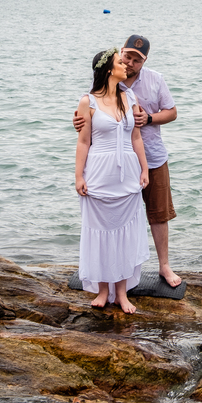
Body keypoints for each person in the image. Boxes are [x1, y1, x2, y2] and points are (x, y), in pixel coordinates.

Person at [74, 33, 181, 288]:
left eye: (137, 60)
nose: (130, 63)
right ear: (121, 53)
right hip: (112, 166)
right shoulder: (111, 76)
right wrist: (78, 119)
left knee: (158, 213)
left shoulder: (155, 80)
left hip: (152, 157)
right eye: (127, 57)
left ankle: (164, 266)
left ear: (144, 61)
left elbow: (172, 112)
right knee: (112, 220)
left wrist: (150, 118)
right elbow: (92, 107)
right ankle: (109, 276)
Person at [74, 47, 150, 312]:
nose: (125, 65)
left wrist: (144, 169)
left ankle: (122, 292)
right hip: (99, 174)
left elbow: (136, 137)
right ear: (108, 70)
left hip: (128, 174)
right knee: (101, 233)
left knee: (125, 234)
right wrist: (78, 176)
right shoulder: (88, 102)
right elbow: (83, 142)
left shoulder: (130, 97)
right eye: (120, 62)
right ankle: (103, 290)